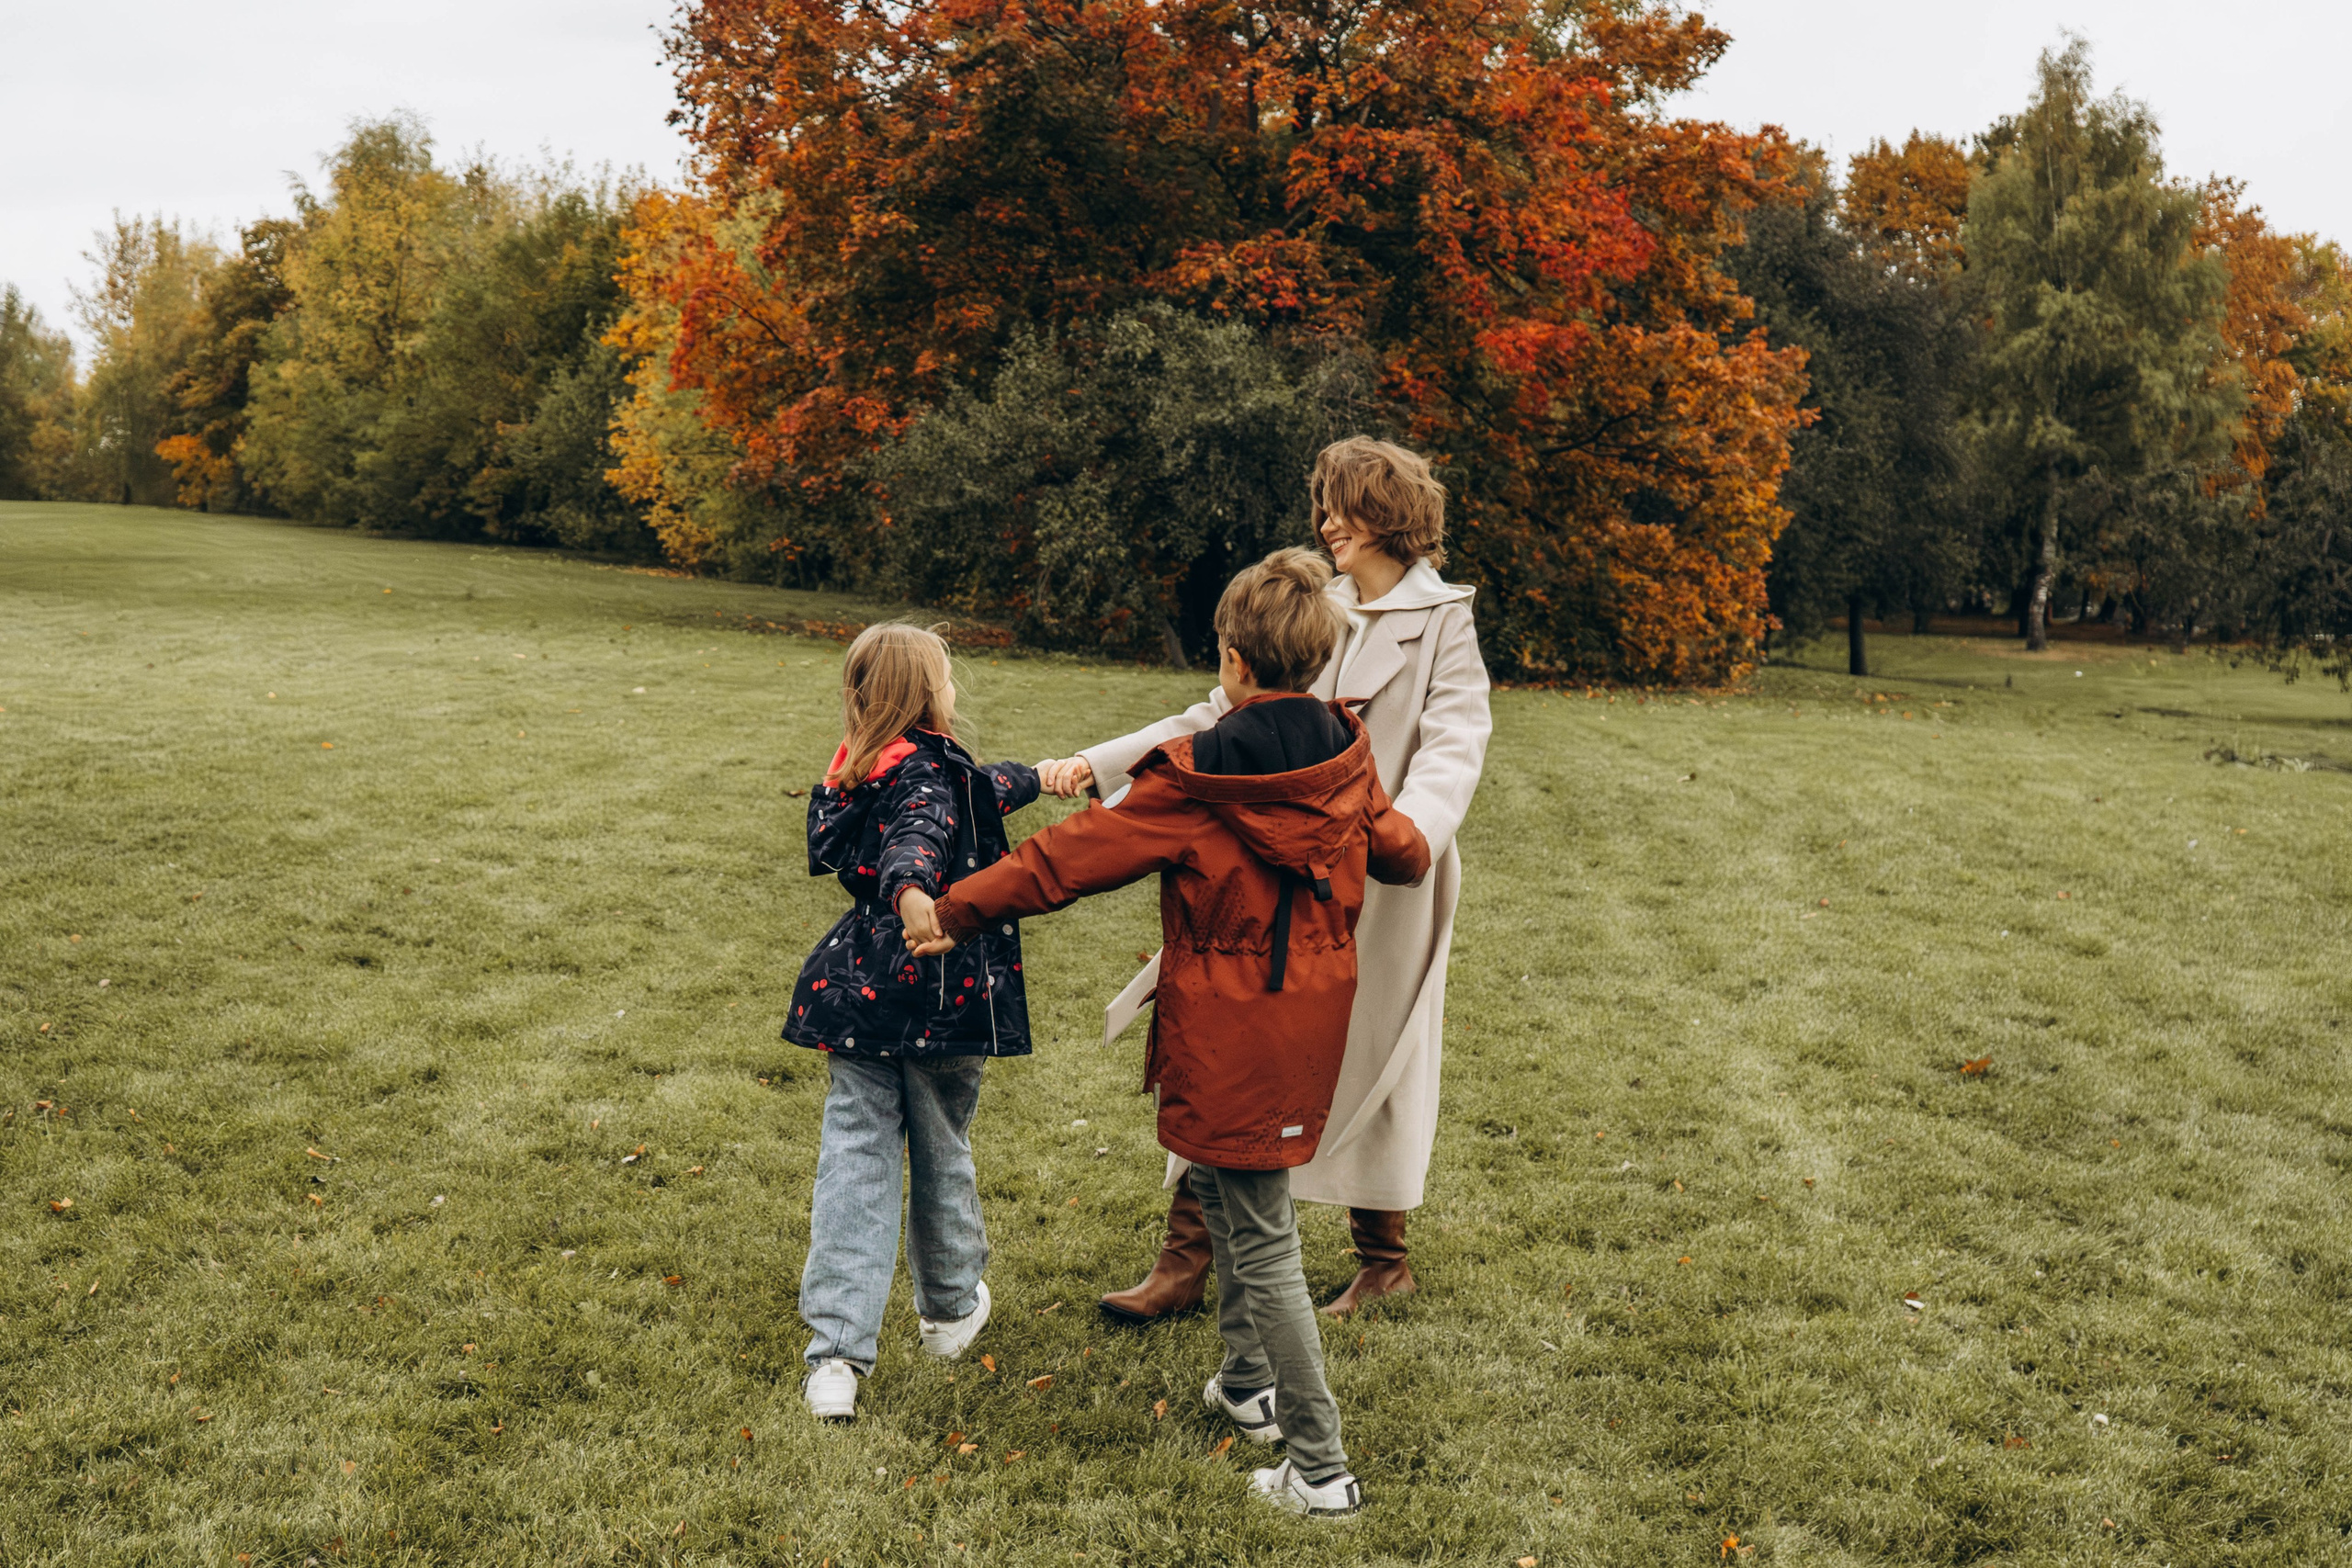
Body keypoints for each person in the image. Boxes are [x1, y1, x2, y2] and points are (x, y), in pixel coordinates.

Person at [912, 548, 1430, 1517]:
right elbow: (1398, 851)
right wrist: (1386, 835)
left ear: (1232, 660)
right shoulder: (1345, 758)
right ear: (1319, 665)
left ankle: (1319, 1468)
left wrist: (955, 907)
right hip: (1311, 1026)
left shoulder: (1192, 785)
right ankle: (1245, 1385)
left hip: (1231, 1034)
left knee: (1262, 1233)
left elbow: (1067, 857)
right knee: (1230, 1189)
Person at [1038, 436, 1491, 1321]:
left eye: (1342, 506)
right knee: (1233, 1042)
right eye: (1322, 504)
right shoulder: (1312, 607)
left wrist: (1408, 835)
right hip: (1272, 865)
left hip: (1386, 879)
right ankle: (1184, 1258)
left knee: (1381, 1051)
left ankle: (1383, 1257)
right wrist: (1101, 764)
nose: (1324, 523)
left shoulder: (1445, 622)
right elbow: (1218, 711)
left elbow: (1455, 744)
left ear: (1390, 515)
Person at [783, 622, 1042, 1424]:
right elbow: (917, 842)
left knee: (854, 1159)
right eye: (949, 677)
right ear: (930, 696)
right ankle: (951, 1307)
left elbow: (973, 787)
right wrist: (914, 899)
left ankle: (835, 1355)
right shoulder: (926, 779)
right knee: (940, 1147)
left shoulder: (863, 770)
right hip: (936, 993)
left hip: (857, 994)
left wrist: (1041, 776)